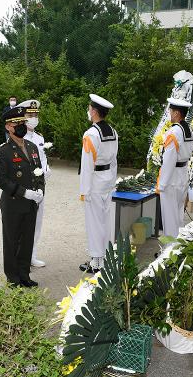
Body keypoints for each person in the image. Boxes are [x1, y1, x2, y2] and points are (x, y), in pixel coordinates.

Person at [0, 106, 44, 287]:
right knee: (12, 241)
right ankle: (13, 278)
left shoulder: (31, 147)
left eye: (23, 122)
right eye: (17, 123)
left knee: (27, 240)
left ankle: (25, 275)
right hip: (13, 203)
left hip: (31, 203)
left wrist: (40, 191)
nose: (21, 126)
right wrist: (24, 192)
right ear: (8, 127)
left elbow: (39, 172)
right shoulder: (3, 150)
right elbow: (2, 180)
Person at [79, 94, 118, 273]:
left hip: (94, 183)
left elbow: (87, 165)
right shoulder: (113, 131)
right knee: (106, 221)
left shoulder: (91, 134)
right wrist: (112, 180)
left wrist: (84, 190)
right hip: (107, 181)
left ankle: (96, 261)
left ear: (94, 111)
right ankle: (106, 257)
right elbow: (114, 159)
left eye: (89, 109)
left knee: (94, 222)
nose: (88, 111)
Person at [18, 99, 50, 267]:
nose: (34, 118)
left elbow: (43, 158)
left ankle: (32, 254)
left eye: (36, 115)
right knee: (23, 221)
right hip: (25, 186)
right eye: (30, 115)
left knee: (37, 220)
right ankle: (20, 255)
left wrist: (47, 169)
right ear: (23, 116)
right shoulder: (19, 136)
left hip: (39, 186)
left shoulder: (39, 137)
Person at [156, 98, 193, 238]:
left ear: (177, 113)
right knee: (178, 217)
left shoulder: (173, 132)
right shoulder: (187, 129)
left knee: (169, 220)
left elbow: (169, 161)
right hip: (182, 176)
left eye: (171, 111)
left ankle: (168, 253)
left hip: (171, 180)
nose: (169, 114)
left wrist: (162, 184)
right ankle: (177, 249)